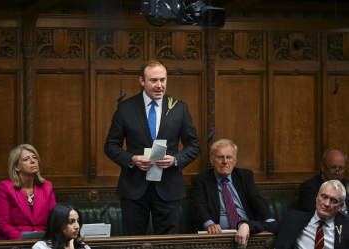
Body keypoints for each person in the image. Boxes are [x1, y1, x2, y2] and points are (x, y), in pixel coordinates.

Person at [104, 59, 201, 235]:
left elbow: (194, 145)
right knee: (133, 243)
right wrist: (131, 159)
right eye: (153, 80)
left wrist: (176, 159)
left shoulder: (180, 108)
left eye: (162, 80)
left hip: (169, 187)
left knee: (167, 244)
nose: (159, 85)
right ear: (142, 81)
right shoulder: (125, 108)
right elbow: (110, 146)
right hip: (133, 188)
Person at [191, 139, 274, 233]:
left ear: (235, 160)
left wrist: (272, 223)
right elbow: (199, 206)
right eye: (220, 157)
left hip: (247, 231)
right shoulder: (201, 180)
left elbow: (257, 201)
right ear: (212, 159)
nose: (225, 161)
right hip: (219, 234)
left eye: (229, 157)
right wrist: (209, 224)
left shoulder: (244, 176)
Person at [236, 180, 349, 249]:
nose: (326, 204)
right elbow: (265, 225)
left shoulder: (346, 226)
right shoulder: (293, 219)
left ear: (340, 206)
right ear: (317, 197)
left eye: (333, 200)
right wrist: (245, 225)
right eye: (324, 197)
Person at [0, 144, 56, 240]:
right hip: (13, 242)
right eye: (26, 159)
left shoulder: (47, 187)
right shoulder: (5, 188)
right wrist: (25, 240)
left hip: (42, 242)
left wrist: (43, 241)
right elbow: (3, 226)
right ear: (16, 167)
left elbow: (54, 220)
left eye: (34, 157)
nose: (33, 161)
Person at [299, 149, 348, 215]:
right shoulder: (309, 187)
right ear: (322, 166)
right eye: (333, 168)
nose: (337, 173)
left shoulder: (347, 185)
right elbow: (317, 216)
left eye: (341, 168)